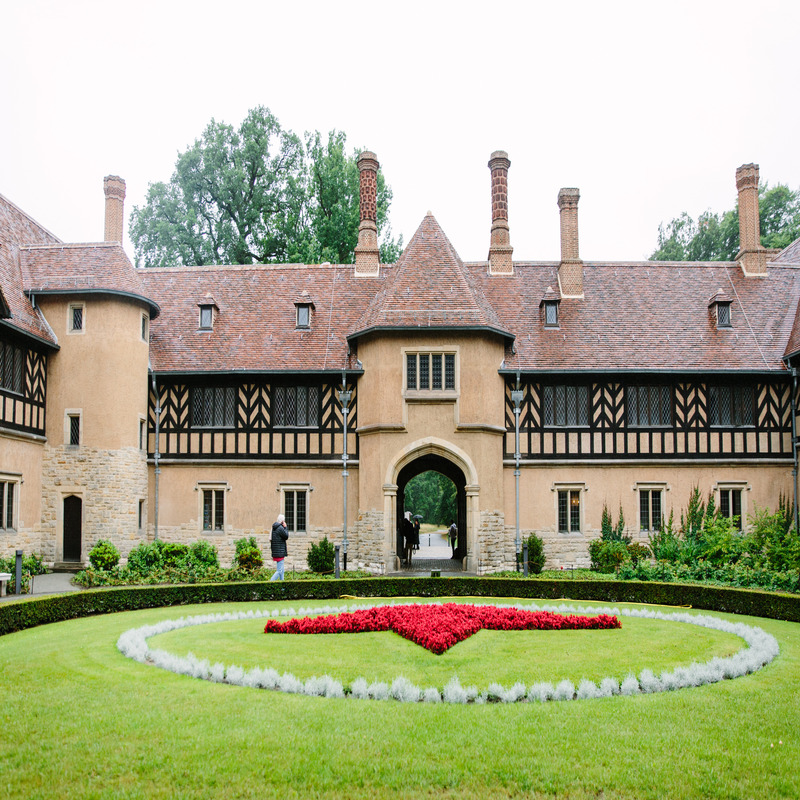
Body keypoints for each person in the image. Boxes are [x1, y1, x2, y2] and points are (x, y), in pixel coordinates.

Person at [269, 513, 289, 581]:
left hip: (276, 551)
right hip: (280, 552)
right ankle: (269, 583)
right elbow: (286, 536)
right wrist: (285, 527)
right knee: (279, 571)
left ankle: (282, 588)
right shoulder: (280, 528)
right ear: (282, 521)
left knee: (282, 571)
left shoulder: (274, 527)